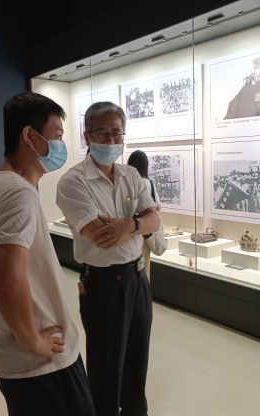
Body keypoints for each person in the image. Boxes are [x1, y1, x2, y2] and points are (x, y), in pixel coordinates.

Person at [0, 92, 94, 416]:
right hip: (42, 365)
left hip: (28, 363)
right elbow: (6, 281)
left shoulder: (3, 185)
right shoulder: (19, 193)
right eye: (56, 136)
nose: (60, 146)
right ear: (30, 136)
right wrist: (34, 342)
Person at [56, 101, 160, 416]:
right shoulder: (73, 182)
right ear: (87, 136)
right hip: (103, 283)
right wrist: (139, 223)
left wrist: (129, 225)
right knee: (106, 366)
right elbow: (100, 235)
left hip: (137, 278)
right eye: (102, 133)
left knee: (138, 359)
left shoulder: (131, 175)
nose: (111, 140)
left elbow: (155, 221)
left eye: (117, 133)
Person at [127, 150, 162, 280]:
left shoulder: (127, 183)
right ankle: (144, 291)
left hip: (129, 230)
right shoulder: (148, 183)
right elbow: (157, 207)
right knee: (144, 267)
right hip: (145, 231)